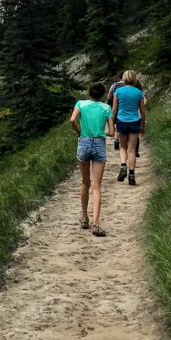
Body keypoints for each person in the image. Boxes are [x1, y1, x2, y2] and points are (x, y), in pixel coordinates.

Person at [70, 82, 113, 237]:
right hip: (99, 144)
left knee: (84, 182)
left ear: (89, 92)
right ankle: (96, 223)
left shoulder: (80, 104)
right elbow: (112, 132)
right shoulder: (106, 108)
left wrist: (79, 132)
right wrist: (102, 132)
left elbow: (72, 120)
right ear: (102, 95)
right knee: (96, 186)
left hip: (84, 142)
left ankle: (84, 218)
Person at [111, 70, 146, 186]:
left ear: (124, 79)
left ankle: (123, 166)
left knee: (122, 147)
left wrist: (112, 122)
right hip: (135, 121)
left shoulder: (118, 91)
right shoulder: (139, 93)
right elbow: (142, 110)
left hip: (121, 121)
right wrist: (143, 125)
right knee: (132, 149)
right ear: (135, 79)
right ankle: (132, 174)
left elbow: (114, 109)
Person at [106, 76, 141, 158]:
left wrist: (112, 120)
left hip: (120, 112)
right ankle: (135, 151)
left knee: (123, 146)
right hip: (134, 114)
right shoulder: (137, 87)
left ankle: (117, 141)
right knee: (133, 140)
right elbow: (142, 106)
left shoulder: (115, 86)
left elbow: (109, 98)